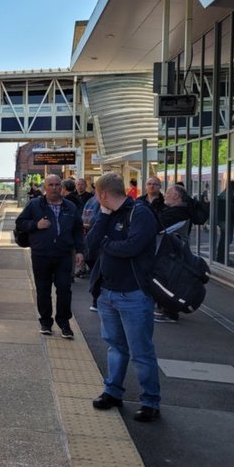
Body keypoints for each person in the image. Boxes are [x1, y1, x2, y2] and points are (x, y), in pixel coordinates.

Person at [86, 172, 161, 422]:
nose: (97, 200)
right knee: (115, 346)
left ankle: (150, 401)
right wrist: (103, 222)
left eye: (98, 195)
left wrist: (106, 245)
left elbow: (132, 247)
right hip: (108, 293)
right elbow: (90, 244)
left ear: (103, 194)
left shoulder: (140, 214)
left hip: (134, 294)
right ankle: (113, 391)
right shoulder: (108, 214)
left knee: (141, 351)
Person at [15, 174, 85, 339]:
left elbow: (77, 230)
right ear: (44, 188)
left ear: (61, 187)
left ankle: (64, 323)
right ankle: (46, 323)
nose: (54, 187)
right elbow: (20, 223)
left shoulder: (70, 207)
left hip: (64, 255)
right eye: (51, 185)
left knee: (64, 290)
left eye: (57, 184)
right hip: (41, 255)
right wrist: (35, 225)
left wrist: (80, 250)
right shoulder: (34, 205)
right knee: (43, 290)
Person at [154, 184, 193, 323]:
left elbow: (158, 226)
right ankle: (165, 309)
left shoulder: (178, 212)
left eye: (168, 193)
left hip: (173, 254)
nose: (165, 195)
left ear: (176, 196)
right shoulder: (178, 210)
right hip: (173, 253)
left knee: (169, 282)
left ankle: (170, 312)